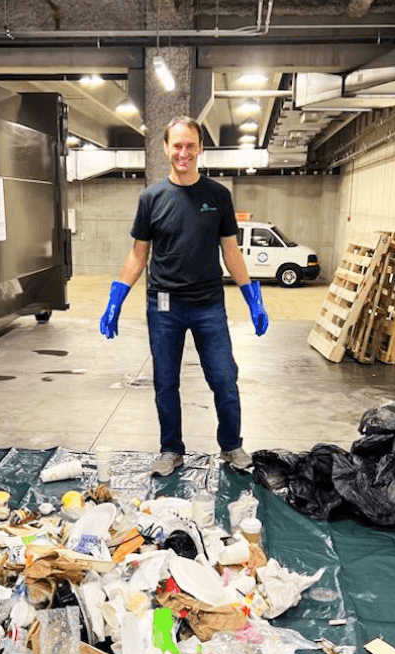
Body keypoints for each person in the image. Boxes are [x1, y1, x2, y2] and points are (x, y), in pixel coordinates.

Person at [99, 115, 268, 476]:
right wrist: (116, 300)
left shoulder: (218, 195)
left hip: (209, 306)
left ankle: (231, 445)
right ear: (165, 148)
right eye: (177, 145)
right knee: (165, 382)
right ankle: (171, 448)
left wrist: (253, 298)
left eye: (190, 145)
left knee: (224, 378)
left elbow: (231, 251)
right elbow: (137, 254)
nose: (183, 152)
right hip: (164, 307)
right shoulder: (152, 198)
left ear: (200, 148)